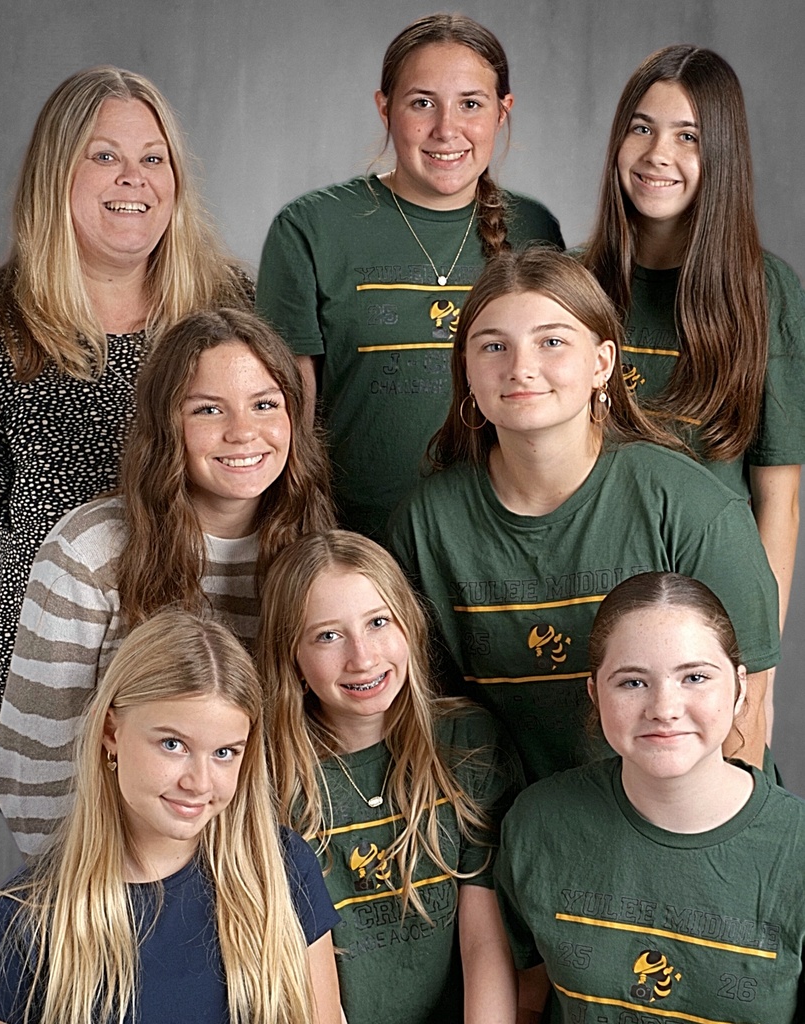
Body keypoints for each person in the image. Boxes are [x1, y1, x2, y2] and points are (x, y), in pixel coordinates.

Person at [387, 248, 779, 784]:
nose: (521, 368)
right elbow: (426, 716)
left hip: (678, 822)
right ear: (467, 372)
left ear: (602, 363)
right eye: (494, 346)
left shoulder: (692, 507)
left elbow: (746, 712)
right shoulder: (424, 525)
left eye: (552, 342)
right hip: (509, 834)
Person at [0, 66, 254, 807]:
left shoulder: (232, 305)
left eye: (152, 157)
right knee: (83, 908)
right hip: (54, 687)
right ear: (55, 173)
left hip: (209, 670)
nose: (132, 178)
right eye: (103, 155)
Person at [0, 307, 334, 857]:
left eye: (266, 404)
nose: (243, 432)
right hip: (110, 867)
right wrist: (104, 886)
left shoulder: (314, 552)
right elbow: (31, 767)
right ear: (165, 423)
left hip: (261, 864)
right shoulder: (89, 551)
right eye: (207, 410)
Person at [256, 13, 563, 543]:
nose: (447, 129)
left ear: (502, 112)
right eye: (422, 103)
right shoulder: (311, 228)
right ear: (385, 109)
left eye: (471, 103)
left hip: (502, 542)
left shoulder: (536, 229)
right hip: (356, 543)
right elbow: (287, 418)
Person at [0, 609, 342, 1024]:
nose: (199, 782)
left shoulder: (282, 871)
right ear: (111, 733)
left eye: (225, 752)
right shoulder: (24, 920)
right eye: (173, 744)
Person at [494, 572, 805, 1024]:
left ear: (740, 689)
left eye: (695, 677)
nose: (664, 707)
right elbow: (526, 995)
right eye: (633, 682)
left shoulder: (795, 849)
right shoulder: (538, 823)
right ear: (594, 693)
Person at [580, 45, 805, 633]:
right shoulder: (572, 283)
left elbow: (778, 501)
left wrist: (759, 668)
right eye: (642, 128)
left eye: (689, 137)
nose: (659, 155)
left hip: (708, 617)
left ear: (722, 154)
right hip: (585, 600)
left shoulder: (766, 290)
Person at [257, 530, 521, 1024]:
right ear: (291, 657)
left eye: (378, 622)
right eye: (327, 636)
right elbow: (301, 972)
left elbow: (484, 942)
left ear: (410, 626)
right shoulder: (272, 776)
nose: (363, 657)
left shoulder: (467, 743)